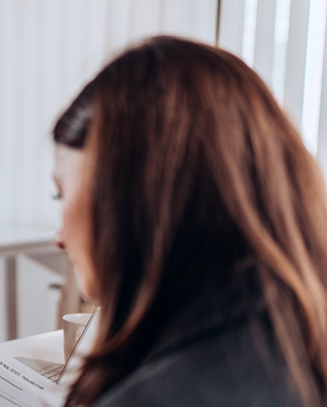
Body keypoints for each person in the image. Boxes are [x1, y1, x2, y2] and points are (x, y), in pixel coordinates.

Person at [52, 36, 327, 407]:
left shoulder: (156, 397)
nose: (59, 237)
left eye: (61, 195)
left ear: (133, 203)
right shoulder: (296, 336)